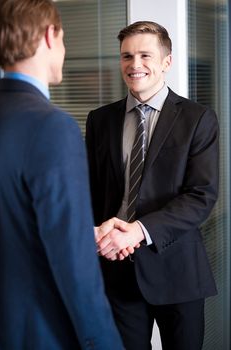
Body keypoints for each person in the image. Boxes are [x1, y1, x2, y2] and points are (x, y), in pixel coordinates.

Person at [0, 1, 124, 349]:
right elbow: (76, 269)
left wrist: (87, 231)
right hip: (38, 333)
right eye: (65, 38)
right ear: (50, 36)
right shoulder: (52, 127)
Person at [86, 21, 219, 350]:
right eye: (126, 56)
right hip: (116, 272)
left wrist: (138, 230)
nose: (135, 65)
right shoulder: (100, 120)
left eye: (146, 55)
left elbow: (201, 196)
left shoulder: (198, 118)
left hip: (177, 270)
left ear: (166, 61)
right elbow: (90, 190)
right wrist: (99, 235)